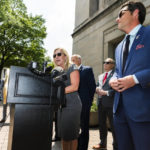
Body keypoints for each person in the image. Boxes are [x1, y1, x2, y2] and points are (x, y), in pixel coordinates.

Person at [109, 1, 150, 150]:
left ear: (136, 13)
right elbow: (119, 71)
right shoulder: (119, 46)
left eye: (121, 14)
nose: (117, 19)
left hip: (143, 111)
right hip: (119, 112)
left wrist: (135, 79)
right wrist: (114, 79)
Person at [53, 48, 82, 150]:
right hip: (61, 106)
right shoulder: (56, 71)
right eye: (54, 55)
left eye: (59, 54)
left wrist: (55, 92)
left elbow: (74, 86)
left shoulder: (72, 67)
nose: (56, 57)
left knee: (72, 136)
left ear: (65, 56)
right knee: (64, 135)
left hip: (72, 105)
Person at [71, 54, 96, 150]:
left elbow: (92, 86)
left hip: (84, 103)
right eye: (71, 60)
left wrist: (89, 101)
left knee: (84, 126)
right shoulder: (70, 72)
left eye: (74, 60)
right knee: (75, 126)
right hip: (72, 104)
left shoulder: (87, 70)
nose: (72, 62)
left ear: (79, 60)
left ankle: (83, 147)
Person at [93, 58, 117, 150]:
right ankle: (102, 143)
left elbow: (117, 89)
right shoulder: (101, 76)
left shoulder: (115, 74)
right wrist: (96, 89)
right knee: (102, 124)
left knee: (113, 125)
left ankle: (116, 145)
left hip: (111, 104)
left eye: (108, 62)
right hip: (100, 103)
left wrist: (106, 93)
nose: (105, 64)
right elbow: (97, 86)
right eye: (104, 62)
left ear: (113, 64)